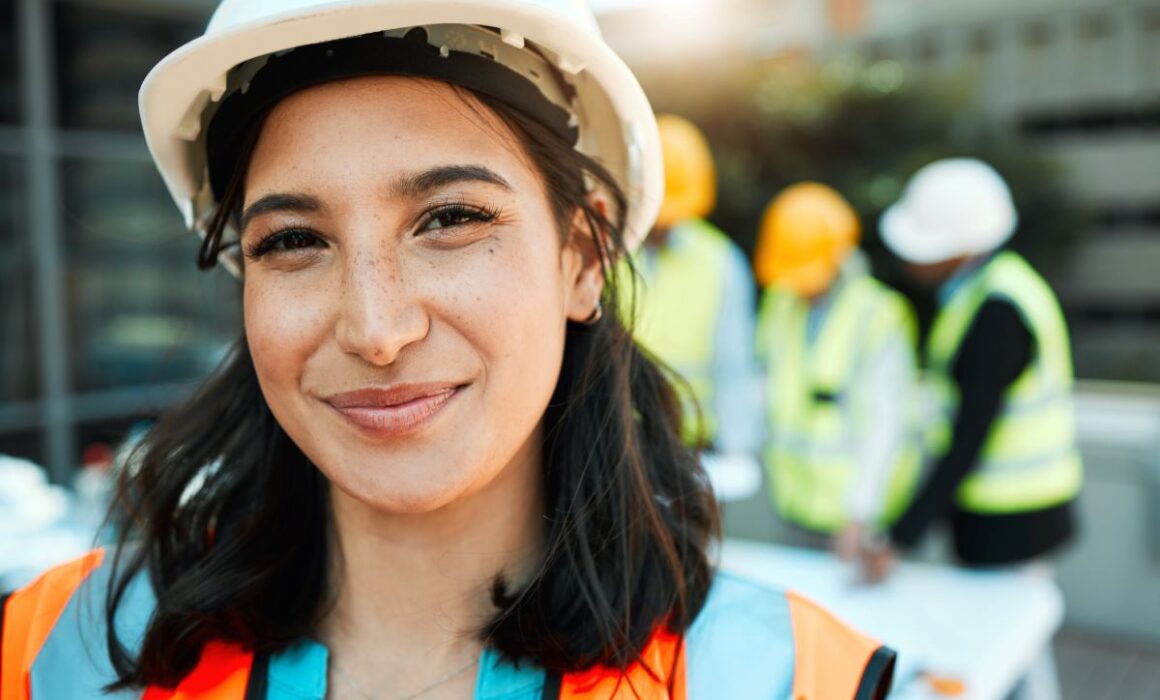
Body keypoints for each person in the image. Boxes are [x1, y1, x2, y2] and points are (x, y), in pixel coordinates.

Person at [0, 1, 895, 698]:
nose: (376, 330)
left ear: (582, 259)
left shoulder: (789, 679)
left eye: (453, 219)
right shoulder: (53, 652)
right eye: (292, 241)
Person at [858, 158, 1082, 581]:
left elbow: (969, 436)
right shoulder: (992, 290)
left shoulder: (996, 312)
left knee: (1008, 640)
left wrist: (900, 538)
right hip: (1014, 514)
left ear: (960, 247)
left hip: (1011, 519)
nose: (910, 262)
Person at [753, 183, 921, 558]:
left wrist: (860, 513)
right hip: (794, 506)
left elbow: (886, 423)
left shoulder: (878, 315)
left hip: (858, 519)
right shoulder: (780, 303)